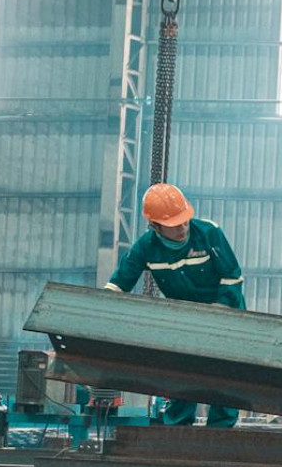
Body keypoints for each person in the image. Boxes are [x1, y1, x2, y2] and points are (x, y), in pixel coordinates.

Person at [104, 183, 244, 428]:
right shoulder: (146, 247)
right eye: (174, 224)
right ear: (155, 226)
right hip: (184, 319)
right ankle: (178, 427)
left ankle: (221, 430)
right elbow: (119, 284)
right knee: (182, 370)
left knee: (225, 372)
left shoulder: (209, 233)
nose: (182, 227)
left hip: (224, 313)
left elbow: (232, 276)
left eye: (184, 220)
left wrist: (220, 310)